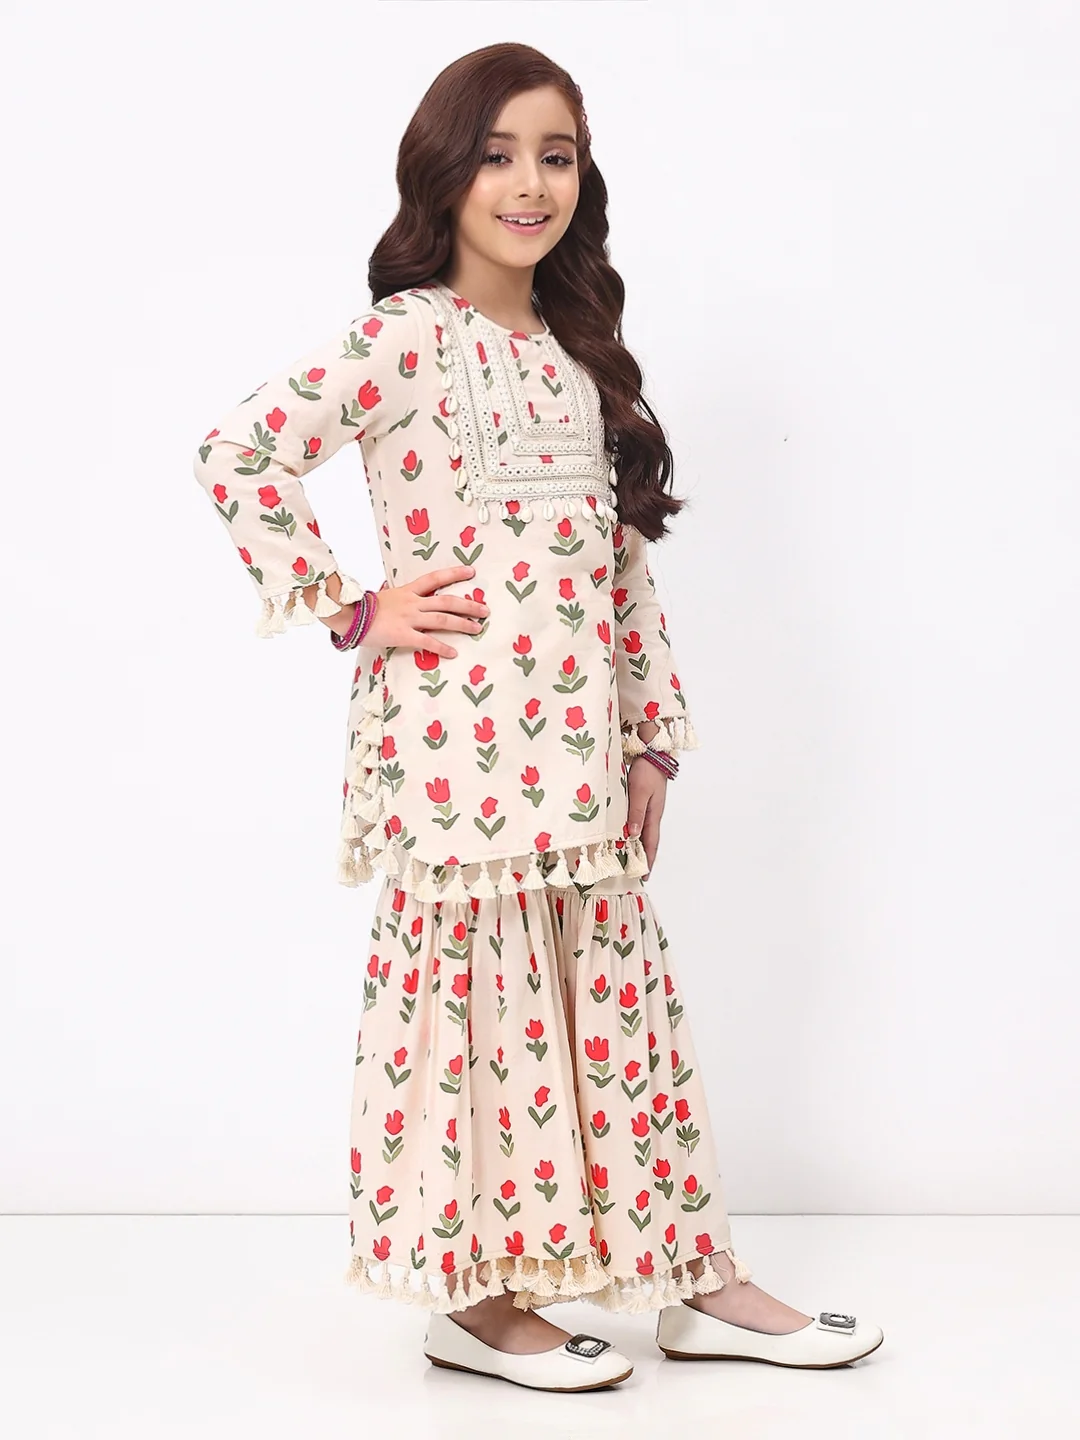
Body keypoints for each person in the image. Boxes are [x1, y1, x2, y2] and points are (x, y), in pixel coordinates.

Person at [192, 41, 883, 1392]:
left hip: (580, 761)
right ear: (446, 173)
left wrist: (650, 736)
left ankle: (692, 1281)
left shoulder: (577, 356)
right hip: (459, 757)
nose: (529, 184)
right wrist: (353, 607)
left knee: (619, 1013)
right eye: (499, 155)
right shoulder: (402, 339)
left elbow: (619, 567)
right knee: (481, 1024)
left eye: (555, 156)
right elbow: (238, 452)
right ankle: (477, 1303)